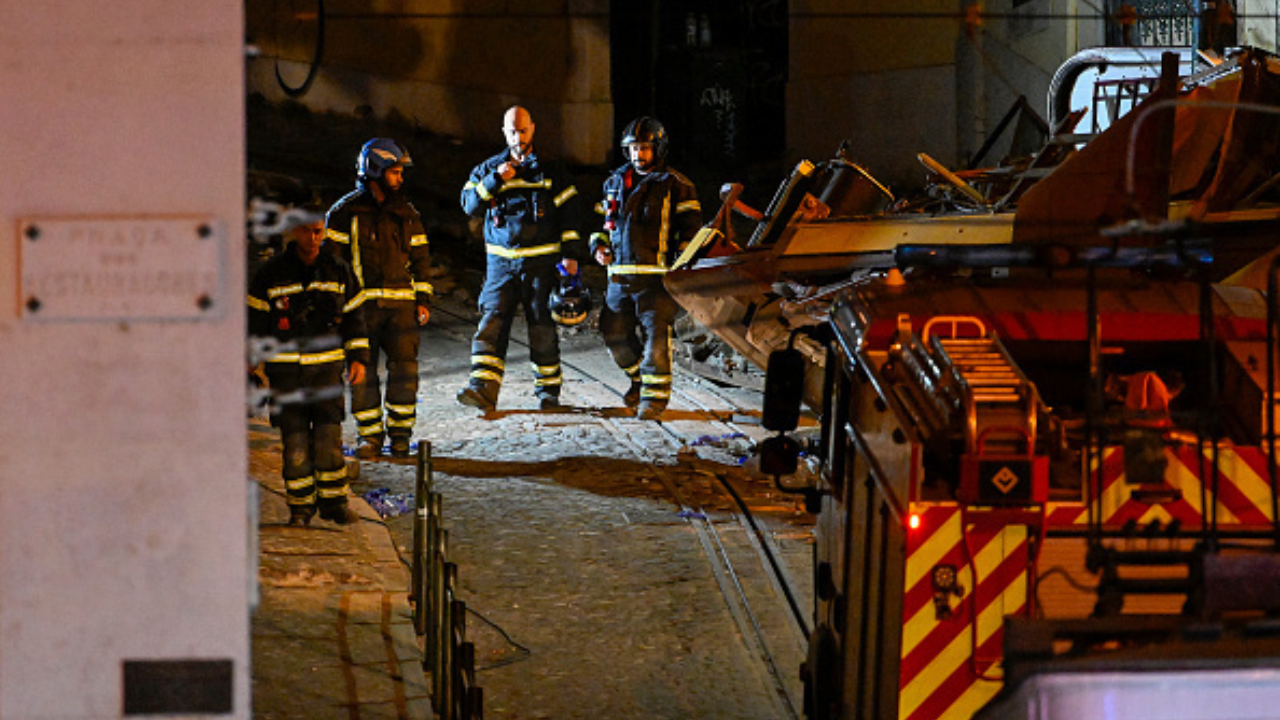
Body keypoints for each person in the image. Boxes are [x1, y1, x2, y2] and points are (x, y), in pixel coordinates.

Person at [456, 106, 583, 411]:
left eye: (523, 131)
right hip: (500, 265)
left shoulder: (551, 171)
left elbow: (571, 214)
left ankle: (548, 392)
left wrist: (571, 257)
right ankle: (483, 389)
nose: (518, 137)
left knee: (541, 324)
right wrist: (493, 181)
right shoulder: (487, 169)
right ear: (504, 133)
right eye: (512, 131)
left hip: (541, 263)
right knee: (492, 321)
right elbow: (468, 205)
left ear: (533, 129)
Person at [248, 208, 369, 525]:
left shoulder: (338, 271)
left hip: (327, 373)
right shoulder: (270, 274)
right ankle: (300, 508)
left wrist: (358, 358)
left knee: (329, 441)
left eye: (319, 231)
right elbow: (254, 323)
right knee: (296, 444)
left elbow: (356, 318)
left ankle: (334, 504)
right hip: (286, 376)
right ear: (293, 232)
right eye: (306, 231)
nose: (313, 238)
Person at [589, 116, 702, 420]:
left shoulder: (678, 185)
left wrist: (679, 271)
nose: (639, 154)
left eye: (645, 148)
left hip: (657, 281)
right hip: (619, 277)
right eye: (634, 148)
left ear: (658, 149)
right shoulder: (613, 183)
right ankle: (639, 382)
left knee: (656, 339)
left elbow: (691, 234)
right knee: (613, 334)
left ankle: (654, 400)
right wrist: (598, 247)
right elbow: (601, 227)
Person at [326, 138, 433, 458]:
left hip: (401, 309)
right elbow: (331, 266)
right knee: (363, 371)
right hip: (361, 311)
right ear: (375, 170)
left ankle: (400, 435)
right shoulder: (344, 213)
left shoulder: (407, 213)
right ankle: (370, 437)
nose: (401, 178)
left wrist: (423, 299)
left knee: (405, 372)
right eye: (395, 172)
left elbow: (421, 258)